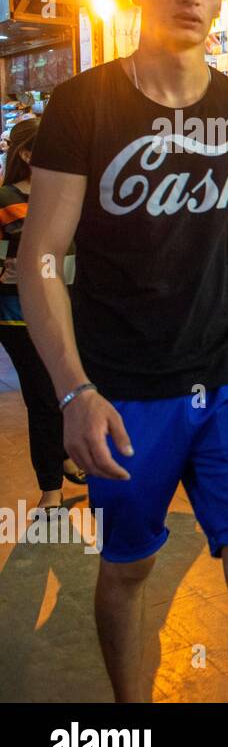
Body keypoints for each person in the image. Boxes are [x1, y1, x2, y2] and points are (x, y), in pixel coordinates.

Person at [18, 0, 228, 703]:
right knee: (129, 567)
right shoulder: (82, 104)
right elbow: (40, 258)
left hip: (227, 377)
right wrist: (72, 388)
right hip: (125, 385)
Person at [0, 118, 84, 512]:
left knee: (70, 392)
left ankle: (63, 457)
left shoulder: (67, 193)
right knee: (44, 398)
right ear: (27, 154)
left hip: (67, 310)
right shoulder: (6, 199)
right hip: (19, 316)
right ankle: (50, 488)